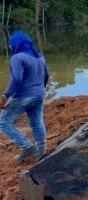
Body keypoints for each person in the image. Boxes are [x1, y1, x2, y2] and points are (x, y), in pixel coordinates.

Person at [0, 30, 48, 162]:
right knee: (37, 122)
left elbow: (16, 79)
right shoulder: (40, 57)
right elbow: (46, 77)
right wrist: (39, 90)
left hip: (23, 95)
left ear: (15, 44)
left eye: (10, 44)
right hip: (39, 95)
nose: (9, 47)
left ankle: (26, 146)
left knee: (3, 122)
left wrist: (5, 96)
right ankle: (41, 152)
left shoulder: (17, 58)